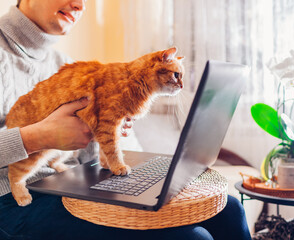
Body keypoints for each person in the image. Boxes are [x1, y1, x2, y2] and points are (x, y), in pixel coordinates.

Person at [0, 0, 252, 239]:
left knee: (230, 210)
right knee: (191, 237)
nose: (80, 5)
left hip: (67, 182)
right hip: (11, 198)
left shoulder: (64, 63)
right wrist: (37, 136)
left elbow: (85, 153)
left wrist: (103, 131)